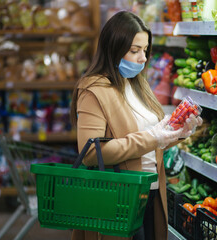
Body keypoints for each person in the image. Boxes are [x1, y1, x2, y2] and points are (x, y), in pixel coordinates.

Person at [70, 11, 203, 240]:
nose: (143, 58)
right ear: (114, 47)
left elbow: (148, 147)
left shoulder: (138, 85)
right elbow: (91, 153)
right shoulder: (93, 90)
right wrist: (153, 137)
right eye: (135, 51)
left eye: (145, 50)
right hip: (117, 199)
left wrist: (176, 133)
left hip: (150, 196)